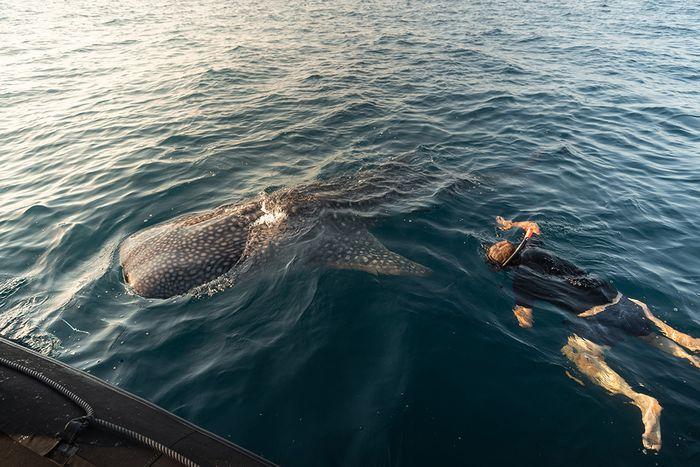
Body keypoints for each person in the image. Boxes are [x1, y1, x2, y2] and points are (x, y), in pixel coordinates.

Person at [486, 216, 700, 452]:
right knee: (653, 338)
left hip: (597, 319)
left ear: (502, 268)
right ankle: (693, 358)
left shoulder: (521, 282)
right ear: (515, 249)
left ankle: (641, 400)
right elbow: (532, 226)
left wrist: (518, 311)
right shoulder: (532, 248)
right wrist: (510, 225)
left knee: (579, 355)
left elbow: (526, 323)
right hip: (618, 300)